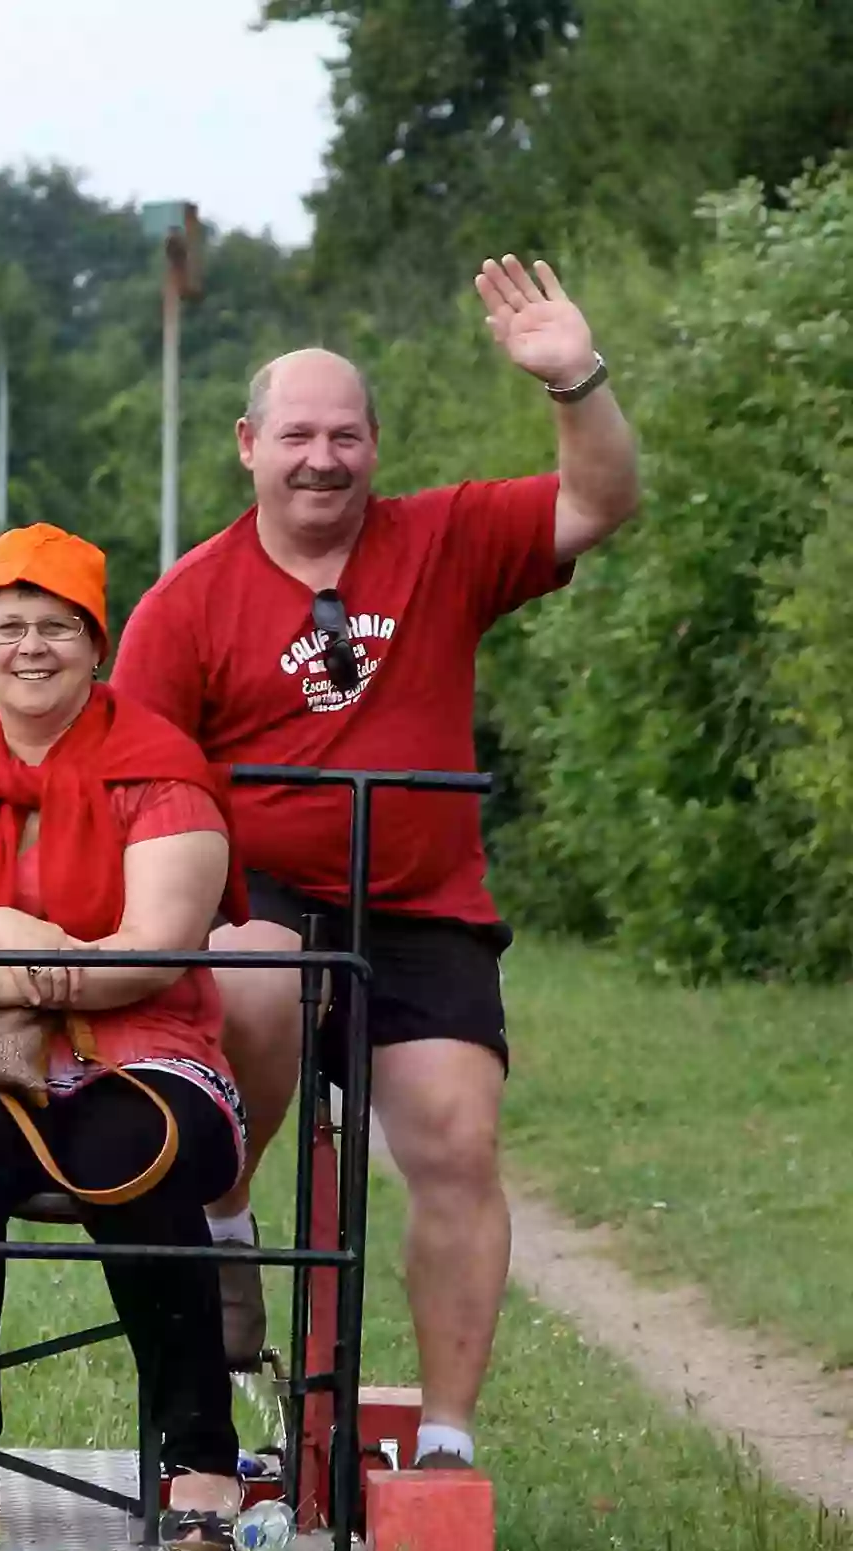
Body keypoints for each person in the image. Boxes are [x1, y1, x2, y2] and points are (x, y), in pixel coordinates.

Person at [112, 254, 641, 1470]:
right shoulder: (185, 603)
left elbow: (598, 503)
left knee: (456, 1138)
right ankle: (226, 1210)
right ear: (247, 444)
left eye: (344, 436)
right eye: (296, 434)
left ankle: (445, 1439)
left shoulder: (443, 539)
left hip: (418, 905)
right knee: (251, 969)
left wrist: (576, 383)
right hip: (264, 903)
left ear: (373, 446)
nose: (321, 458)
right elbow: (138, 790)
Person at [0, 525, 250, 1551]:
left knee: (124, 1156)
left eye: (53, 627)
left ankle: (199, 1455)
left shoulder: (161, 771)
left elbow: (153, 957)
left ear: (95, 640)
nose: (28, 648)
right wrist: (9, 935)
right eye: (6, 628)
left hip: (148, 1050)